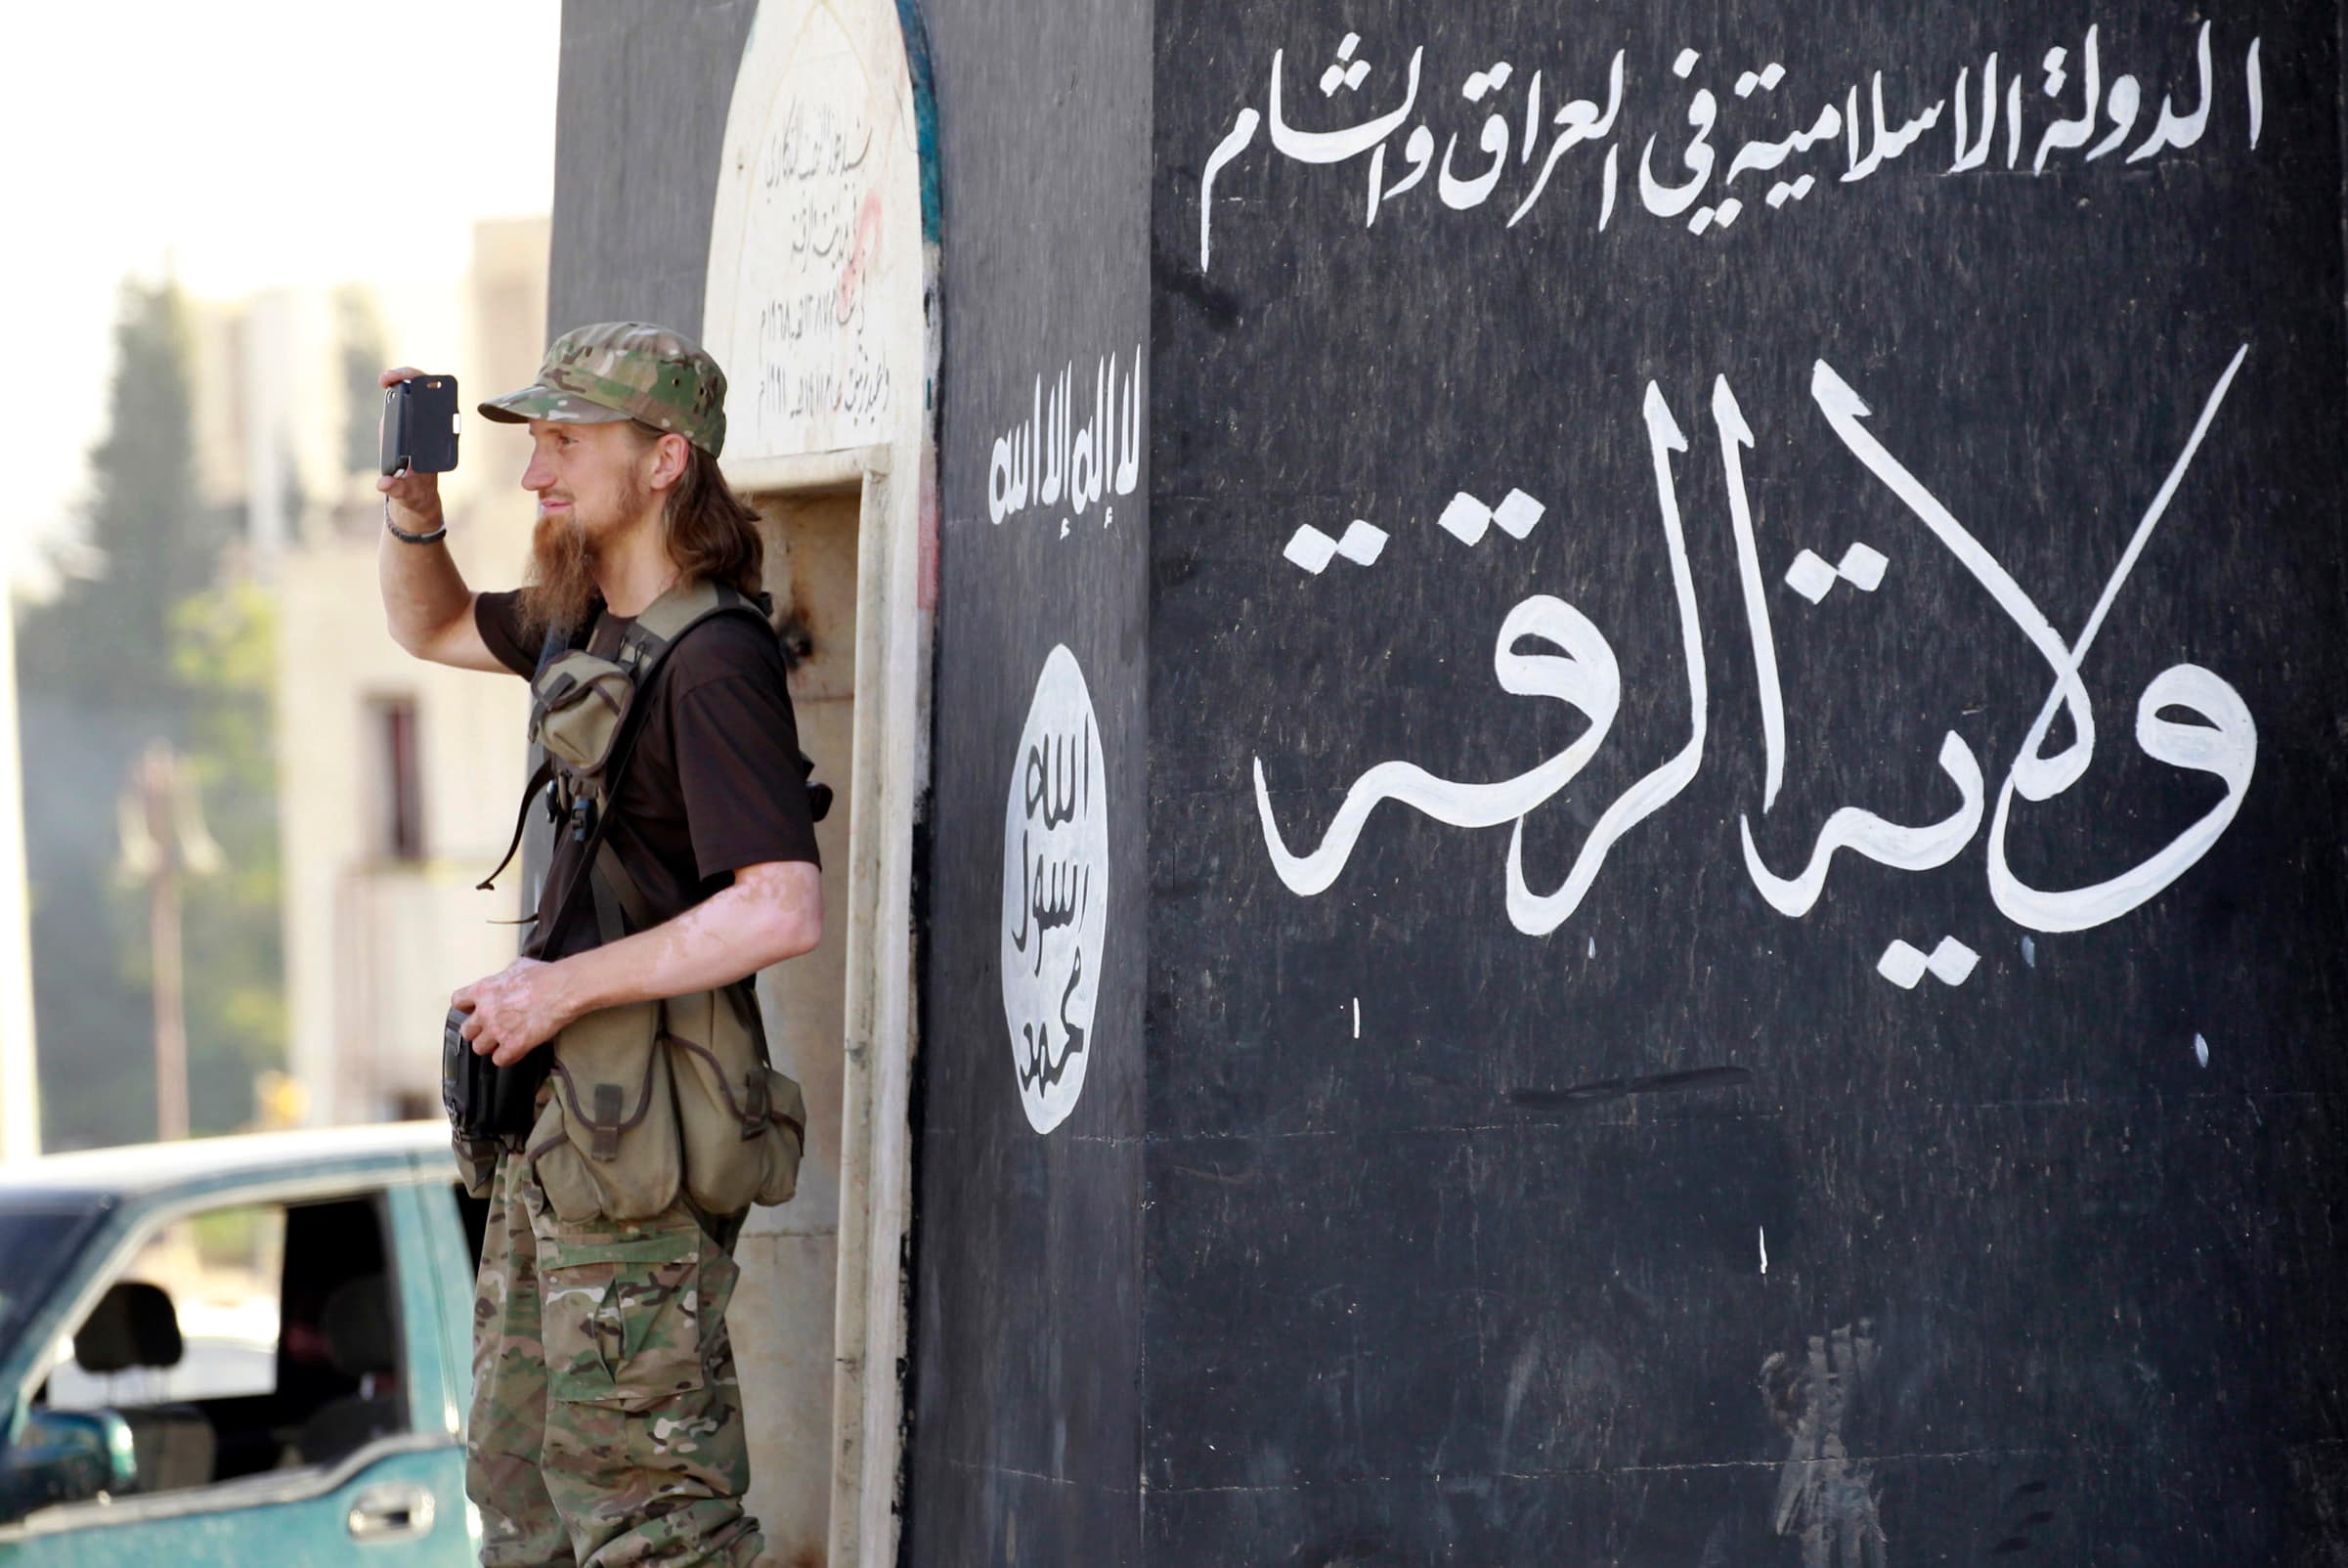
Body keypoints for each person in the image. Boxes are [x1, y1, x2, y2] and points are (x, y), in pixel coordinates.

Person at [377, 323, 822, 1567]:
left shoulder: (716, 659)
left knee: (651, 1515)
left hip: (646, 1146)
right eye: (535, 445)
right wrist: (414, 510)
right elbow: (433, 626)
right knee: (525, 1499)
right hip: (562, 1141)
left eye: (567, 443)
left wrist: (555, 983)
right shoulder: (585, 622)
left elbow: (781, 903)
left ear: (667, 457)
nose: (537, 474)